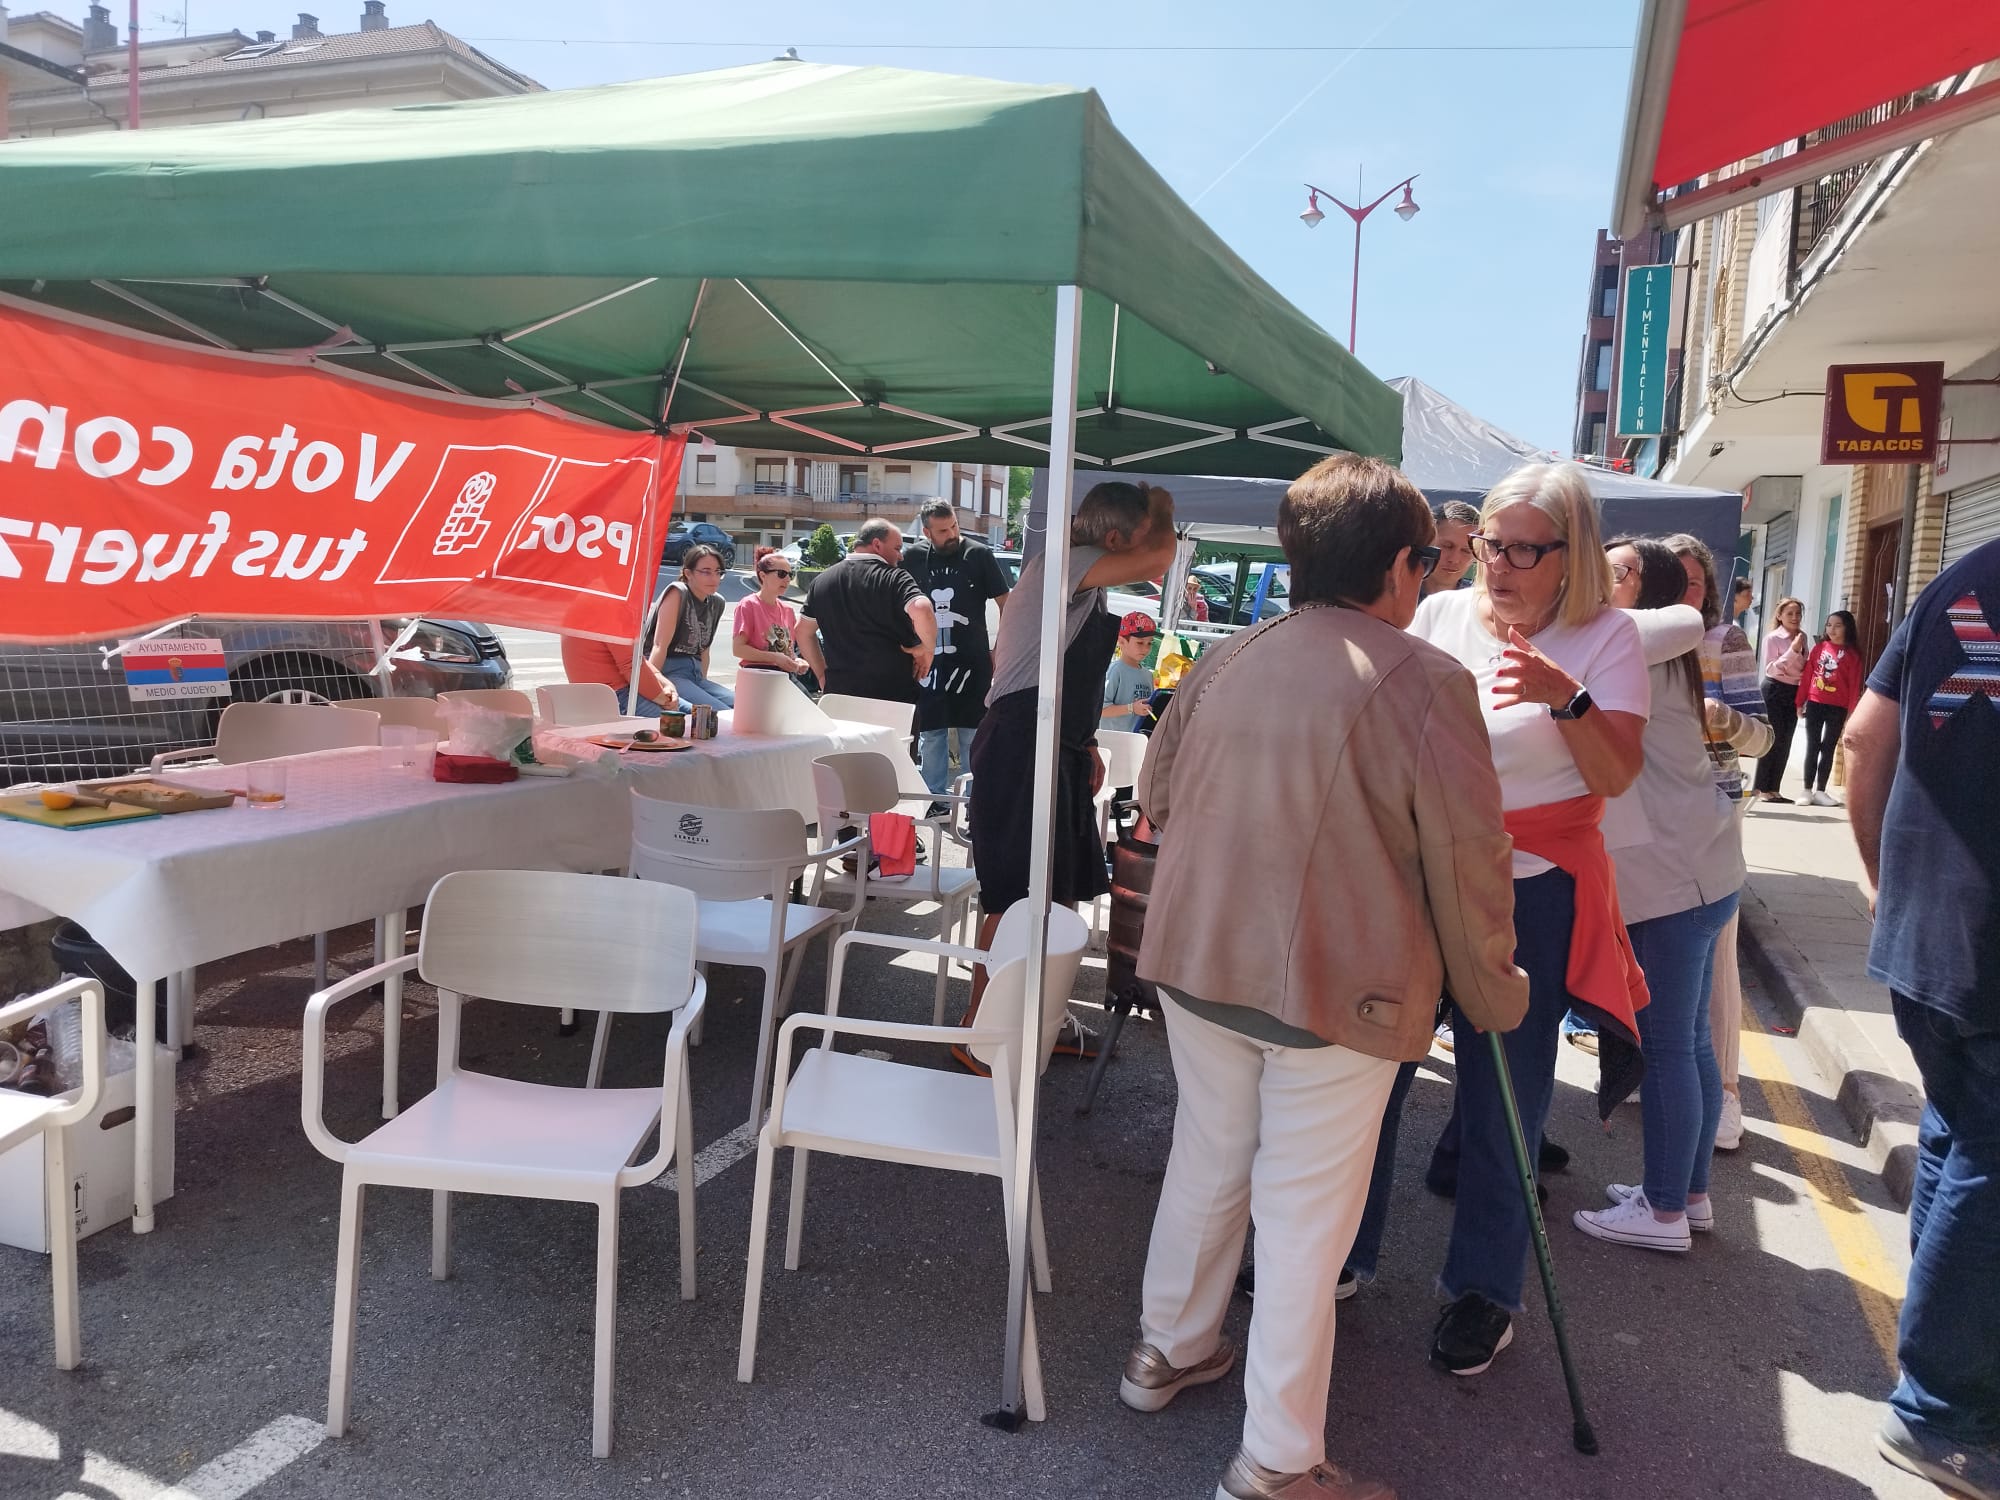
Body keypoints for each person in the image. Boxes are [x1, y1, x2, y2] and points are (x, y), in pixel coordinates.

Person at [1123, 454, 1526, 1500]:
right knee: (1304, 1220)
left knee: (1209, 1160)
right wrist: (1493, 993)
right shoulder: (1425, 679)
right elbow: (1469, 865)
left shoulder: (1230, 653)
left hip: (1199, 958)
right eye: (1428, 559)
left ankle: (1167, 1348)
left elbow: (1157, 792)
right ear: (1399, 564)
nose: (1430, 574)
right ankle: (1277, 1460)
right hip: (1341, 987)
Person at [1408, 463, 1653, 1377]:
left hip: (1533, 886)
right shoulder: (1441, 615)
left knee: (1504, 1094)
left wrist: (1566, 697)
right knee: (1373, 1075)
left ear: (1570, 555)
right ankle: (1340, 1256)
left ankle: (1484, 1290)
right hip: (1425, 871)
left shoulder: (1607, 636)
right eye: (1489, 545)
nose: (1498, 566)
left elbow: (1617, 773)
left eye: (1522, 550)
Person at [1844, 536, 2000, 1500]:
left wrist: (1878, 880)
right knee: (1986, 1158)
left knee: (1957, 1131)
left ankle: (1939, 1363)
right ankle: (1941, 1412)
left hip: (1926, 930)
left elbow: (1864, 738)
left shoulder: (1962, 576)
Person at [1570, 537, 1746, 1253]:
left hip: (1671, 880)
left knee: (1670, 1046)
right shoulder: (1658, 651)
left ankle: (1665, 1210)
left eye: (1612, 572)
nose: (1596, 581)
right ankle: (1688, 1194)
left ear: (1644, 585)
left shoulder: (1638, 640)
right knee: (1691, 1043)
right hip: (1702, 870)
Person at [960, 483, 1176, 1059]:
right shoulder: (1066, 563)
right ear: (1114, 539)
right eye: (1134, 541)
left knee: (1055, 896)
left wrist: (1086, 743)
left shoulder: (1083, 580)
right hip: (1020, 744)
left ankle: (1042, 1020)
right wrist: (1163, 508)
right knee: (1014, 897)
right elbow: (1159, 558)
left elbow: (1065, 674)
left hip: (1055, 745)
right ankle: (979, 1031)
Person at [1670, 535, 1773, 1156]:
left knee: (1716, 956)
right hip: (1645, 814)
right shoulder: (1632, 639)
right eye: (1670, 580)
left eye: (1693, 583)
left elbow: (1761, 737)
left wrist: (1722, 719)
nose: (1682, 594)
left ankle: (1727, 1091)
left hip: (1712, 812)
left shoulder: (1722, 642)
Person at [901, 501, 1011, 797]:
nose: (951, 534)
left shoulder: (978, 554)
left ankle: (974, 801)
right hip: (927, 663)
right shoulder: (912, 558)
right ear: (926, 532)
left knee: (972, 733)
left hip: (973, 661)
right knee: (931, 733)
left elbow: (1006, 603)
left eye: (954, 526)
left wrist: (998, 649)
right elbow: (898, 604)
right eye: (942, 531)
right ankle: (933, 798)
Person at [796, 517, 937, 703]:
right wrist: (928, 649)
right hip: (893, 698)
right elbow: (922, 609)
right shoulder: (895, 578)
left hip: (839, 696)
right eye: (897, 548)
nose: (901, 556)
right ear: (877, 545)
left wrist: (822, 675)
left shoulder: (821, 582)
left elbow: (802, 632)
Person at [644, 542, 735, 711]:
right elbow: (659, 645)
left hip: (695, 674)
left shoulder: (717, 602)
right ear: (688, 573)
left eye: (718, 572)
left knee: (744, 706)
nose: (714, 578)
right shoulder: (678, 592)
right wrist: (652, 687)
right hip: (669, 672)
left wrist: (702, 682)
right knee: (719, 713)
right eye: (706, 572)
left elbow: (704, 650)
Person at [1797, 609, 1863, 806]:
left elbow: (1854, 685)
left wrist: (1851, 713)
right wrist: (1800, 701)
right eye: (1829, 625)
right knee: (1813, 745)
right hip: (1815, 702)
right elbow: (1808, 676)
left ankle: (1821, 790)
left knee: (1828, 747)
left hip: (1838, 707)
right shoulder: (1819, 648)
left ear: (1847, 628)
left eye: (1837, 626)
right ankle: (1806, 789)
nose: (1832, 630)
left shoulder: (1853, 655)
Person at [1753, 596, 1809, 803]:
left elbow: (1804, 667)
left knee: (1786, 741)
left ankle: (1774, 789)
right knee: (1772, 739)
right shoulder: (1772, 638)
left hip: (1793, 691)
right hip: (1774, 689)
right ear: (1780, 616)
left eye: (1798, 614)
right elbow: (1771, 668)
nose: (1795, 618)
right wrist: (1792, 651)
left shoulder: (1802, 637)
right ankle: (1761, 788)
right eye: (1790, 614)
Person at [558, 633, 680, 717]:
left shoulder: (579, 611)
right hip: (615, 698)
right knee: (685, 726)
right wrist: (665, 700)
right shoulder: (611, 613)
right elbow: (631, 665)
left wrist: (666, 684)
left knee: (688, 714)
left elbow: (635, 659)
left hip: (586, 699)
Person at [732, 550, 810, 678]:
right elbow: (738, 649)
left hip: (783, 675)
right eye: (781, 574)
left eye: (791, 574)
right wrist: (774, 658)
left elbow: (787, 651)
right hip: (757, 675)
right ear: (763, 576)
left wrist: (796, 661)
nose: (787, 579)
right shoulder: (748, 605)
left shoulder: (788, 610)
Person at [1100, 613, 1159, 733]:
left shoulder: (1148, 675)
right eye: (1140, 643)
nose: (1146, 648)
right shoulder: (1115, 670)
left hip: (1137, 738)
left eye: (1149, 643)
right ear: (1121, 641)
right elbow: (1100, 709)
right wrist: (1131, 708)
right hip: (1114, 739)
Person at [1426, 500, 1480, 595]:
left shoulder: (1482, 600)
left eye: (1466, 551)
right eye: (1447, 546)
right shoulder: (1399, 594)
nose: (1454, 559)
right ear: (1427, 541)